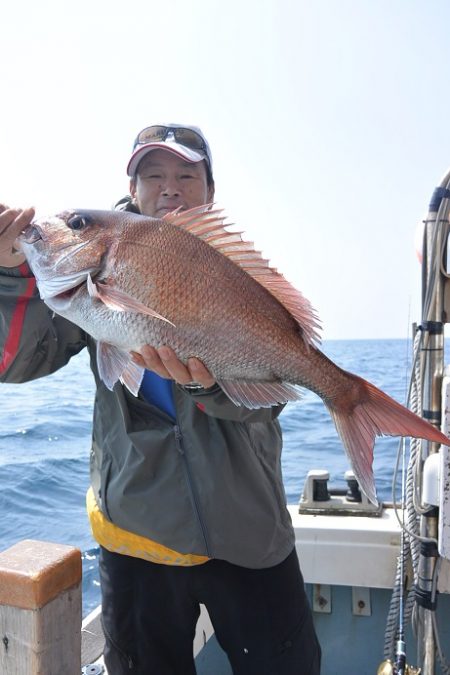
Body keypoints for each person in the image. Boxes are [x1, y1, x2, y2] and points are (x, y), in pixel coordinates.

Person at [0, 124, 321, 675]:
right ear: (132, 186)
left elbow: (269, 399)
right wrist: (10, 273)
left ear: (210, 192)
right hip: (137, 535)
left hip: (248, 530)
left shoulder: (231, 267)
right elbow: (17, 360)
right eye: (153, 175)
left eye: (186, 174)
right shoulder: (95, 258)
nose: (169, 187)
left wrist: (207, 383)